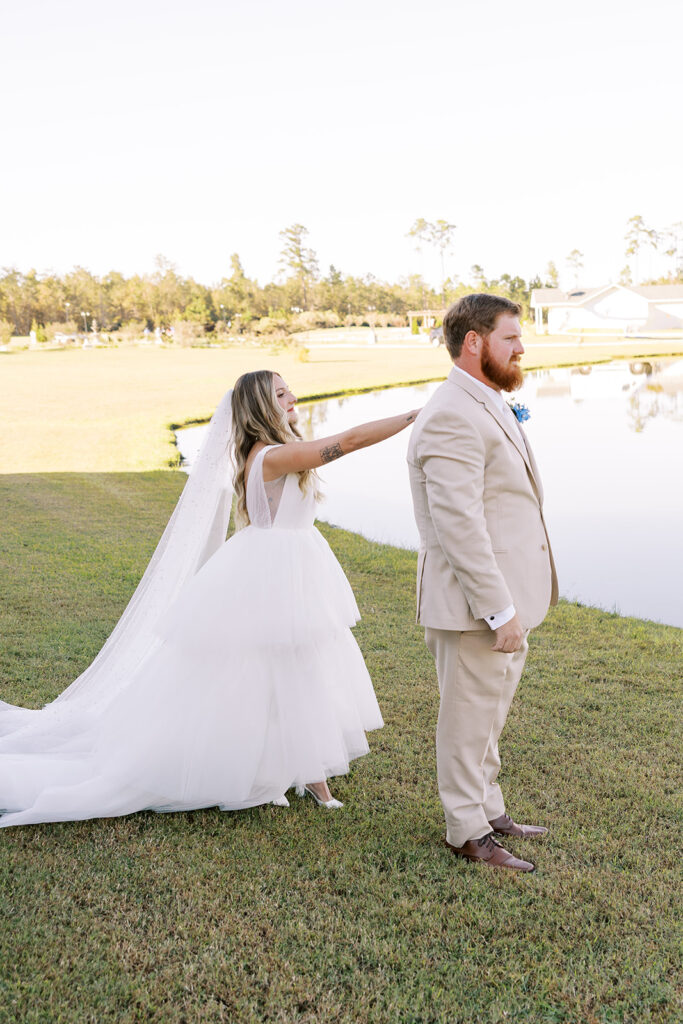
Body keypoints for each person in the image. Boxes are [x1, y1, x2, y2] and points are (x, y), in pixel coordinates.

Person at [0, 370, 419, 827]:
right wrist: (417, 414)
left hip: (289, 564)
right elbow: (352, 439)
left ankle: (305, 771)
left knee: (297, 665)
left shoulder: (271, 452)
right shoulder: (272, 456)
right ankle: (291, 773)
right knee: (282, 665)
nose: (293, 397)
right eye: (281, 394)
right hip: (272, 572)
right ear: (261, 407)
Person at [407, 294, 558, 872]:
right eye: (511, 338)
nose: (522, 347)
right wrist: (499, 610)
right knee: (468, 722)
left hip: (504, 599)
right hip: (475, 607)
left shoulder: (485, 400)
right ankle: (466, 832)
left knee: (488, 716)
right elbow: (459, 526)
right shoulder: (451, 412)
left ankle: (489, 810)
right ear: (474, 342)